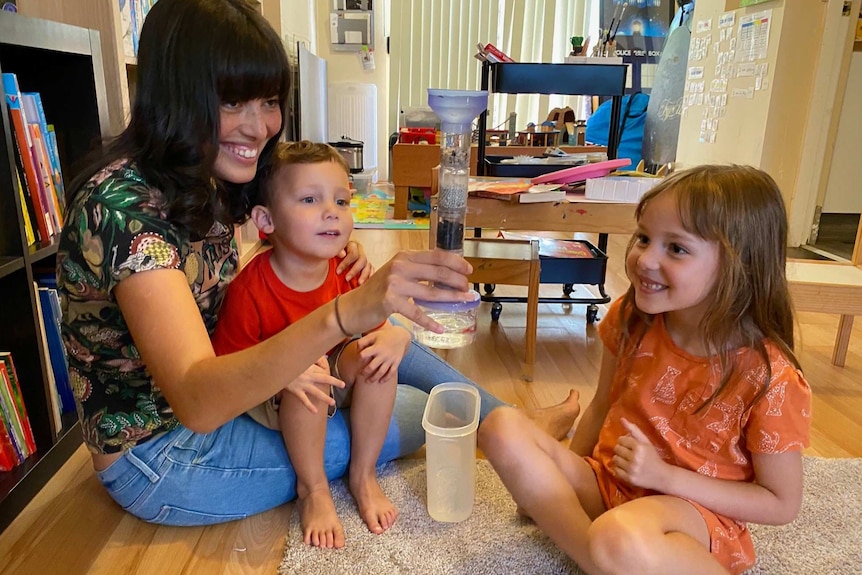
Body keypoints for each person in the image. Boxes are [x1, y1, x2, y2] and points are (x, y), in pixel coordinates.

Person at [56, 0, 578, 538]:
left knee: (386, 347)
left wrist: (325, 267)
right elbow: (197, 401)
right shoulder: (122, 211)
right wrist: (343, 313)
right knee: (410, 411)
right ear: (176, 96)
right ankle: (487, 428)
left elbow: (236, 279)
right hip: (165, 454)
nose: (259, 126)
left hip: (234, 389)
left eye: (269, 101)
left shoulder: (202, 174)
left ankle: (505, 424)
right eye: (233, 101)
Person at [479, 165, 812, 575]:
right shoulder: (631, 318)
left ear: (737, 265)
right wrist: (557, 480)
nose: (644, 259)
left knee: (617, 536)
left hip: (690, 518)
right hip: (609, 485)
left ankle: (607, 552)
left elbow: (781, 503)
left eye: (676, 248)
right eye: (643, 237)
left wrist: (667, 478)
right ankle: (604, 558)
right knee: (500, 426)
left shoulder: (770, 376)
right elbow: (601, 405)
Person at [211, 141, 410, 546]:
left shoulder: (346, 268)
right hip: (274, 389)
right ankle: (313, 489)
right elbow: (228, 369)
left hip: (332, 372)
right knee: (312, 379)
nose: (331, 212)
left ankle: (363, 474)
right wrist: (284, 372)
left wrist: (392, 337)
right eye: (309, 199)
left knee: (377, 360)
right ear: (266, 220)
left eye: (341, 200)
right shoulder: (250, 288)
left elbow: (377, 326)